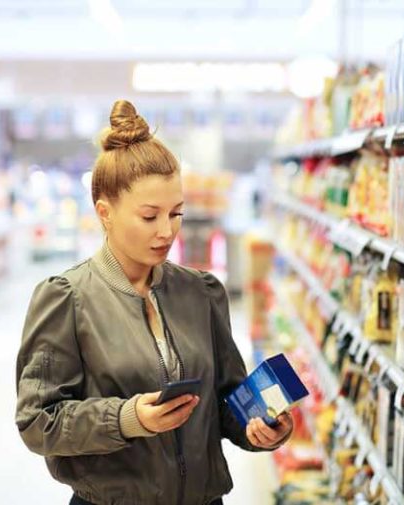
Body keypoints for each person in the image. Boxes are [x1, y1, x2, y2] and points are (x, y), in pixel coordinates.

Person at [15, 100, 294, 505]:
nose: (167, 231)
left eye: (176, 213)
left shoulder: (201, 292)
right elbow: (39, 421)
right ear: (105, 213)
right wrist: (128, 419)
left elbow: (227, 401)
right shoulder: (67, 299)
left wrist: (261, 427)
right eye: (149, 216)